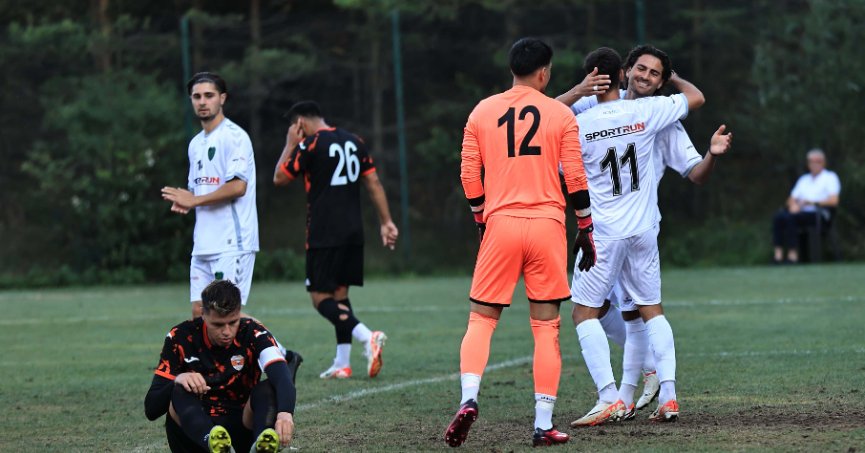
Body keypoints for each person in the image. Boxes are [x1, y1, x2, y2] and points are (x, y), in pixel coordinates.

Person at [559, 44, 732, 415]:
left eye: (655, 73)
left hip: (607, 229)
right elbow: (696, 98)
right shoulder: (650, 111)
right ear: (625, 71)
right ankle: (647, 388)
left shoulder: (650, 117)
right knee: (636, 311)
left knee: (598, 312)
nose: (646, 77)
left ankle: (615, 395)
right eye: (641, 69)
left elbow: (696, 174)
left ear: (661, 81)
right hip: (638, 228)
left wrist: (711, 156)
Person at [444, 37, 596, 448]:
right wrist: (585, 226)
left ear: (512, 69)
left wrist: (481, 218)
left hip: (501, 223)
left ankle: (469, 398)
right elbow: (575, 177)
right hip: (547, 225)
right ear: (544, 73)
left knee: (481, 320)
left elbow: (469, 174)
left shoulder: (482, 111)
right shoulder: (560, 113)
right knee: (546, 328)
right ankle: (543, 424)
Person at [273, 101, 398, 380]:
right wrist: (386, 221)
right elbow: (374, 183)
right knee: (340, 296)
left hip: (324, 233)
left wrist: (290, 144)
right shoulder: (355, 141)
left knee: (320, 298)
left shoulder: (310, 144)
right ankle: (342, 363)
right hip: (353, 231)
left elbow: (279, 177)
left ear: (300, 124)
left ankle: (367, 336)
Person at [144, 280, 298, 453]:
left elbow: (282, 376)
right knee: (180, 388)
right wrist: (178, 380)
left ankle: (261, 446)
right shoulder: (180, 337)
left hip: (241, 429)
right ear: (203, 314)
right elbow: (151, 408)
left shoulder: (254, 332)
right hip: (195, 435)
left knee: (269, 388)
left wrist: (285, 413)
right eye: (218, 325)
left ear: (240, 313)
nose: (226, 332)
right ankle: (215, 443)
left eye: (233, 322)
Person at [162, 72, 259, 320]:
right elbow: (199, 191)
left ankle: (274, 346)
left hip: (232, 243)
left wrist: (195, 200)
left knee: (225, 313)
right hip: (204, 242)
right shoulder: (195, 144)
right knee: (199, 313)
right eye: (197, 97)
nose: (202, 102)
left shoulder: (234, 137)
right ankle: (274, 346)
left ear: (222, 98)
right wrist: (187, 200)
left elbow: (238, 187)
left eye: (209, 95)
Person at [772, 148, 840, 263]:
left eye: (817, 161)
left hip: (819, 214)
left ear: (823, 162)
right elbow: (790, 199)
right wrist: (794, 206)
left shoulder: (830, 177)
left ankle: (792, 256)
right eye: (811, 161)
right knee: (779, 217)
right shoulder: (804, 180)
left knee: (791, 218)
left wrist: (811, 202)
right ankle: (777, 256)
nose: (814, 164)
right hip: (800, 212)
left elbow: (834, 201)